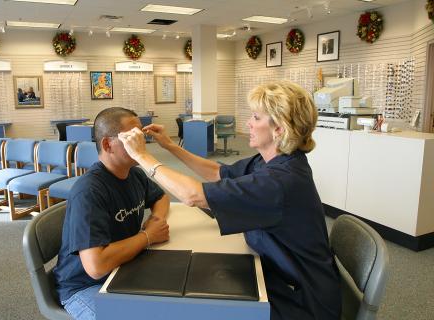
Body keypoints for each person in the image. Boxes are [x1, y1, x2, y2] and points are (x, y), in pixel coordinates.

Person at [118, 80, 341, 320]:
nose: (248, 123)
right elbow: (217, 173)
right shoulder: (272, 160)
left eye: (256, 117)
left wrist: (141, 156)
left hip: (303, 304)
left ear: (280, 128)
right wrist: (171, 146)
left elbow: (193, 196)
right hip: (282, 275)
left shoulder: (279, 182)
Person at [53, 107, 170, 320]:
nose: (141, 144)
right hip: (84, 286)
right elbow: (96, 267)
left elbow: (161, 198)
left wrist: (156, 221)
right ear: (108, 144)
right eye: (132, 138)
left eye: (141, 136)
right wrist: (148, 236)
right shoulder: (89, 191)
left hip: (122, 267)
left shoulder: (133, 174)